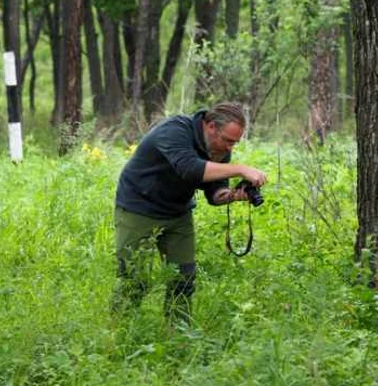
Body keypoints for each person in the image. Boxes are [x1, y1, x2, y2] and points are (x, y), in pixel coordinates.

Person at [112, 102, 267, 323]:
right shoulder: (174, 130)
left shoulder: (219, 150)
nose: (230, 148)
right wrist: (241, 169)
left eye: (235, 143)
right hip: (139, 207)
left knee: (183, 278)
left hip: (177, 213)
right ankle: (119, 333)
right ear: (211, 126)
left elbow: (215, 193)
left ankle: (180, 337)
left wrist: (232, 195)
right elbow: (189, 167)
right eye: (228, 140)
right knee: (135, 279)